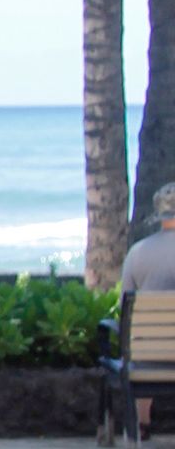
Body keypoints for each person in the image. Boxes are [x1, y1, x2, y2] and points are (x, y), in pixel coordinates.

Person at [120, 184, 175, 435]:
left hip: (149, 356)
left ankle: (142, 423)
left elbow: (124, 306)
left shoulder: (137, 253)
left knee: (143, 342)